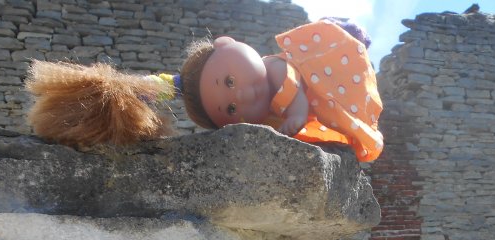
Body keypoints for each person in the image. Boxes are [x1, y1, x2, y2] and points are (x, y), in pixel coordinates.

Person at [25, 18, 383, 160]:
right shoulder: (269, 108)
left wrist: (299, 113)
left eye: (228, 82)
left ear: (227, 43)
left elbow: (298, 97)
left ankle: (354, 37)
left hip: (334, 73)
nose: (239, 96)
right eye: (230, 110)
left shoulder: (279, 67)